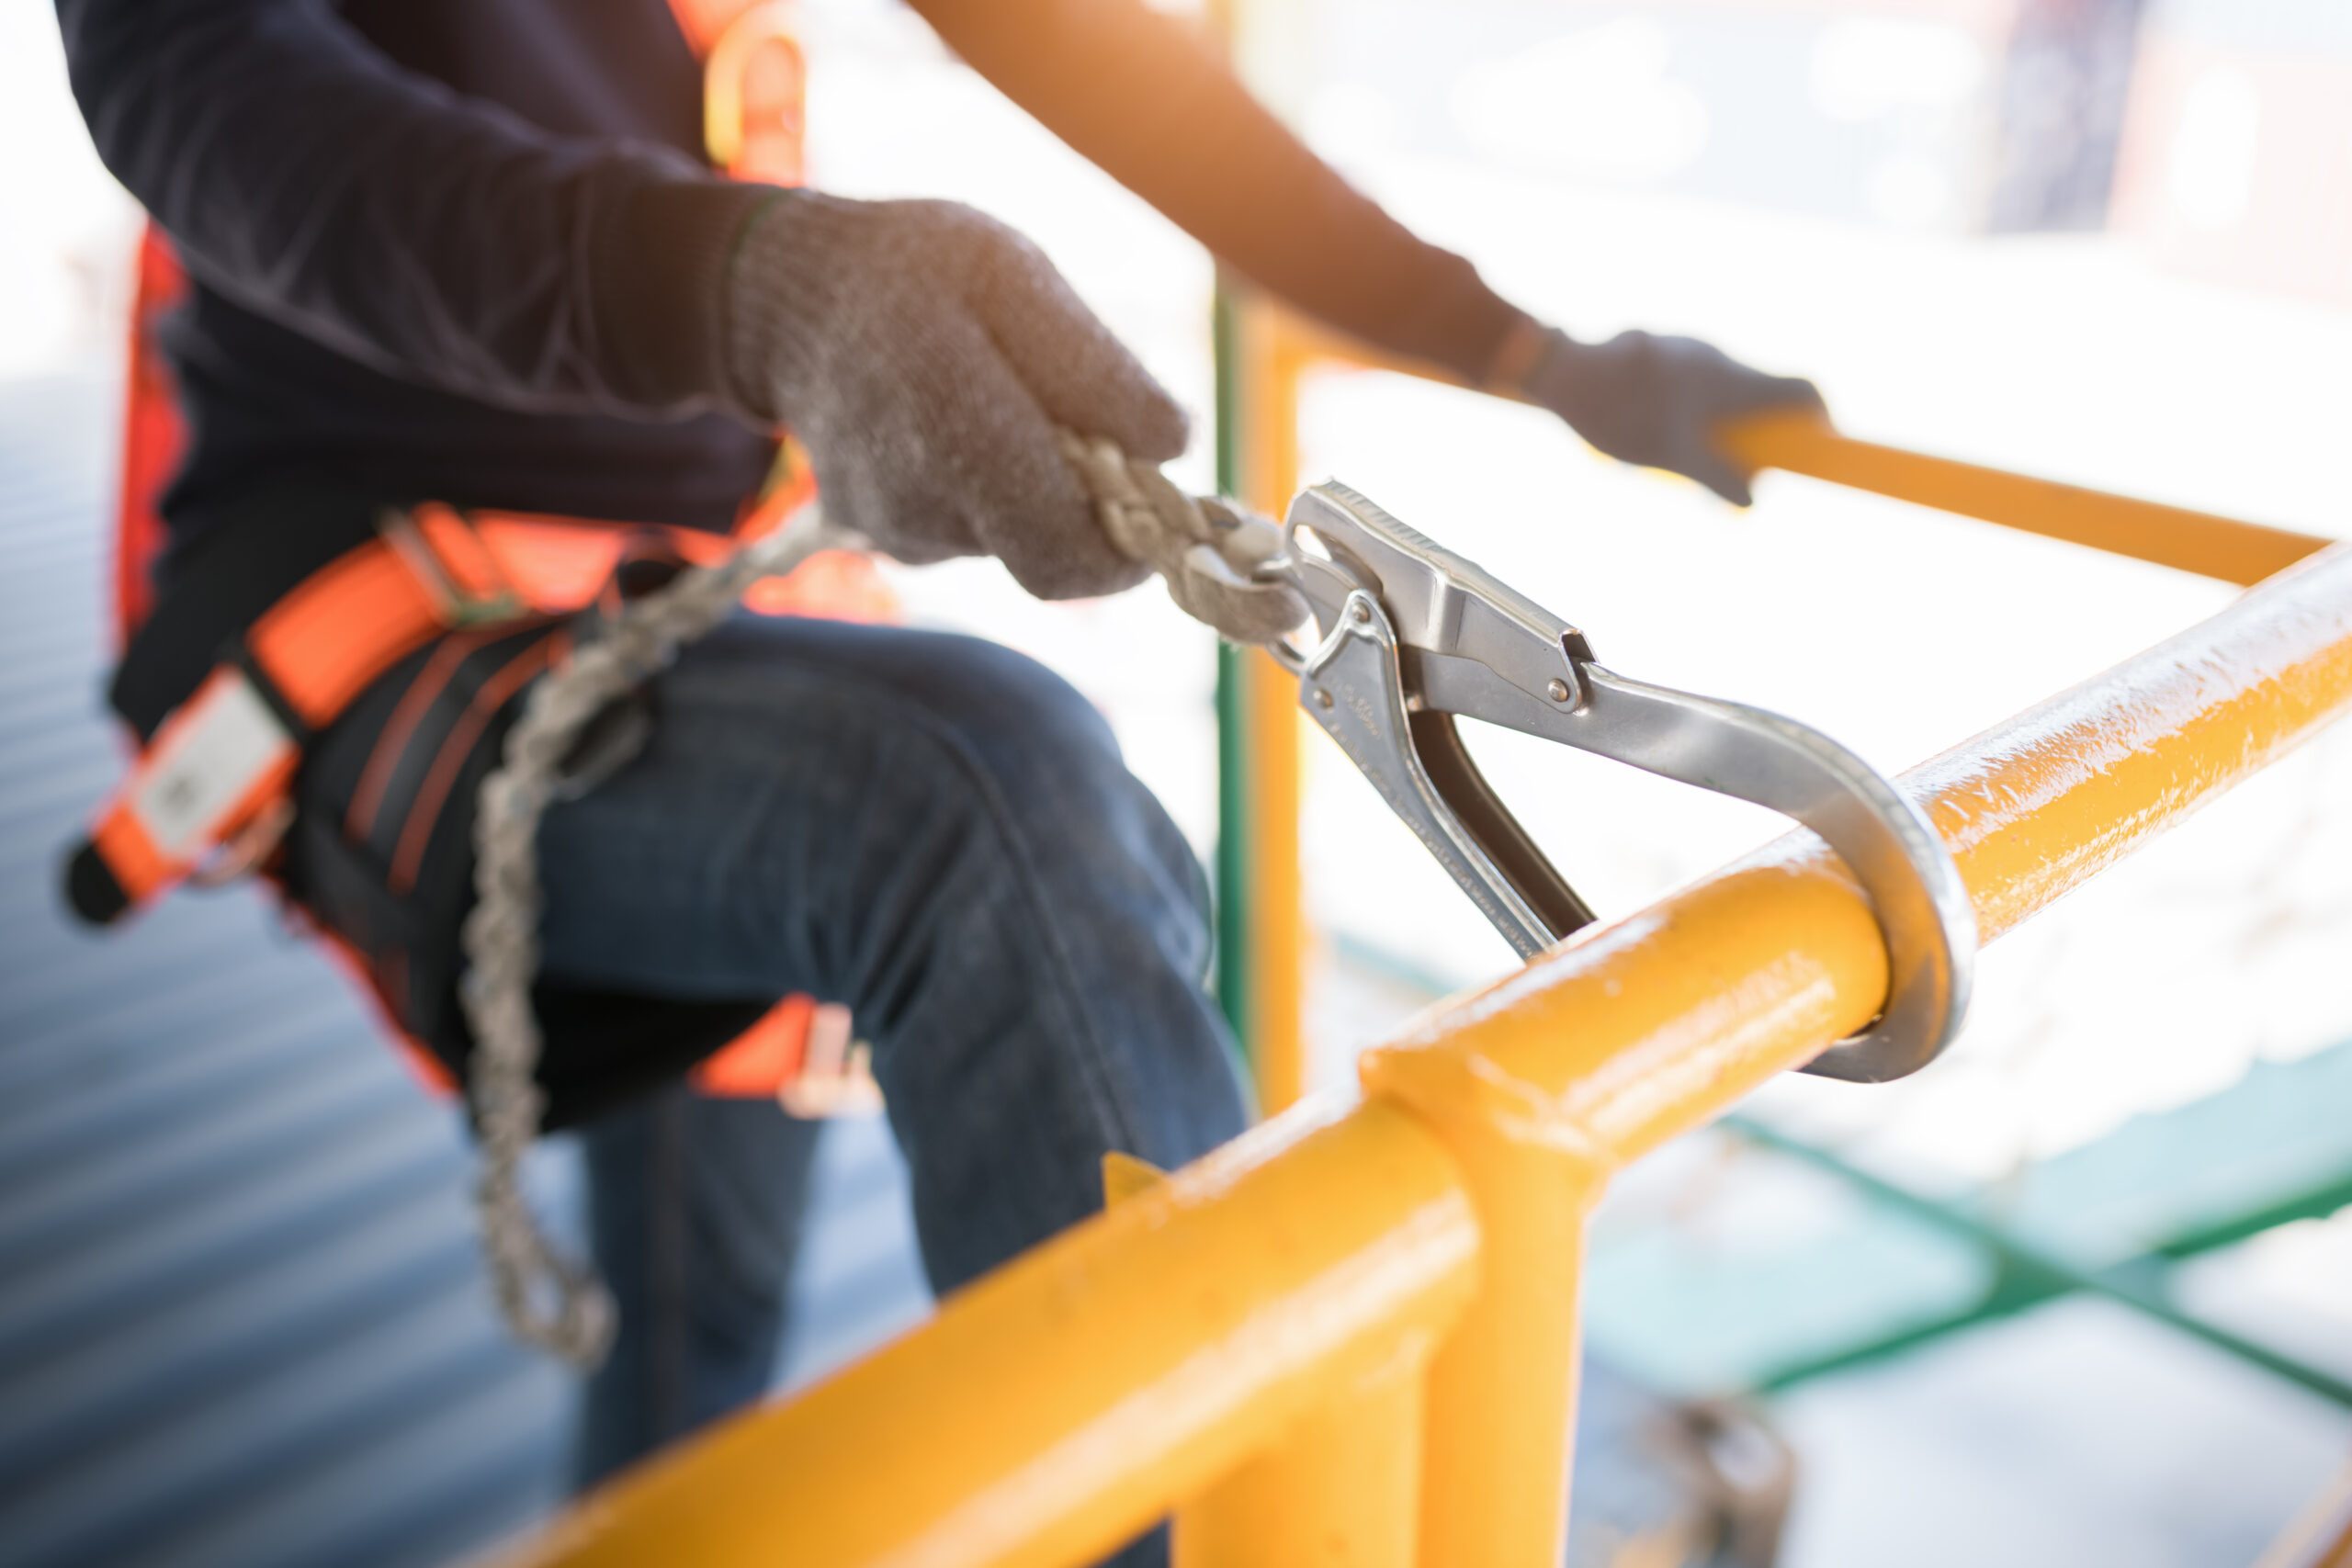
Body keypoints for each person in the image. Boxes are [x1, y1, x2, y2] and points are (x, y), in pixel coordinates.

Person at [56, 0, 1820, 1553]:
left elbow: (1091, 50)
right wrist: (748, 288)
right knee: (984, 806)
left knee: (696, 1339)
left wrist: (1511, 346)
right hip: (388, 604)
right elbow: (207, 93)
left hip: (705, 612)